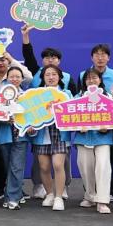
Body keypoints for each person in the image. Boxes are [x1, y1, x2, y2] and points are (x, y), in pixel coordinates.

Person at [29, 66, 73, 211]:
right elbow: (30, 114)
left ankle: (59, 197)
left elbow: (72, 113)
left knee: (58, 165)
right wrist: (30, 126)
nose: (51, 77)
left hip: (60, 135)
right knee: (44, 167)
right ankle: (49, 194)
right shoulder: (36, 95)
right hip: (42, 135)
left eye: (54, 74)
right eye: (47, 74)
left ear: (60, 77)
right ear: (43, 78)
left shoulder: (66, 94)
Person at [72, 68, 113, 215]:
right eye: (88, 78)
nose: (91, 81)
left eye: (94, 77)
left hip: (103, 138)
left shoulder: (108, 96)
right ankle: (90, 196)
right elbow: (70, 118)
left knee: (103, 167)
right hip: (83, 138)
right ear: (84, 81)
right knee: (85, 168)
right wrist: (78, 126)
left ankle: (102, 201)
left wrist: (107, 127)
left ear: (100, 80)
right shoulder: (78, 97)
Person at [0, 66, 30, 210]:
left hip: (21, 136)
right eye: (12, 76)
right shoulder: (0, 95)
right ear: (7, 78)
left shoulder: (27, 96)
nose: (15, 79)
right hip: (5, 135)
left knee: (17, 167)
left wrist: (31, 127)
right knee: (7, 167)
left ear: (22, 79)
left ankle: (12, 198)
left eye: (18, 77)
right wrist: (4, 119)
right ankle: (11, 194)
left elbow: (33, 116)